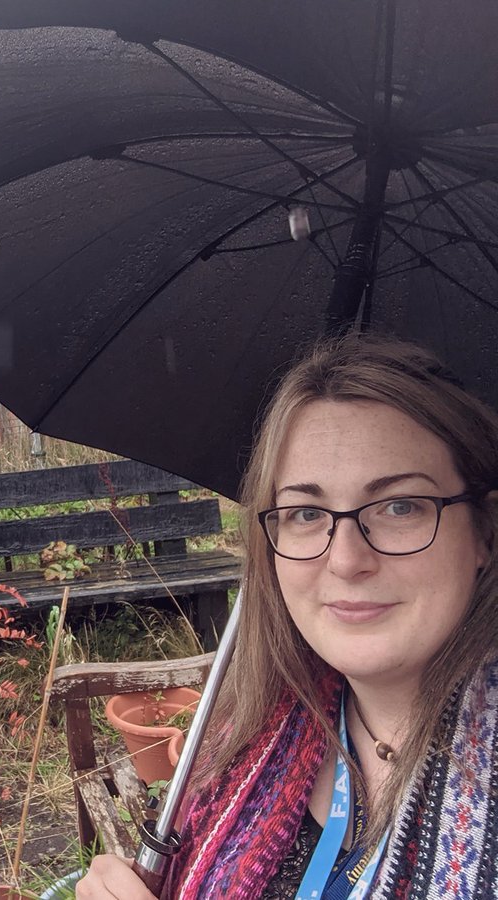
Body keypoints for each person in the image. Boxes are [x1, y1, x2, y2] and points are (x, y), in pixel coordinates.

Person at [78, 335, 498, 899]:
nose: (347, 559)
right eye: (305, 512)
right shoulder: (242, 745)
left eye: (400, 506)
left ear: (485, 534)